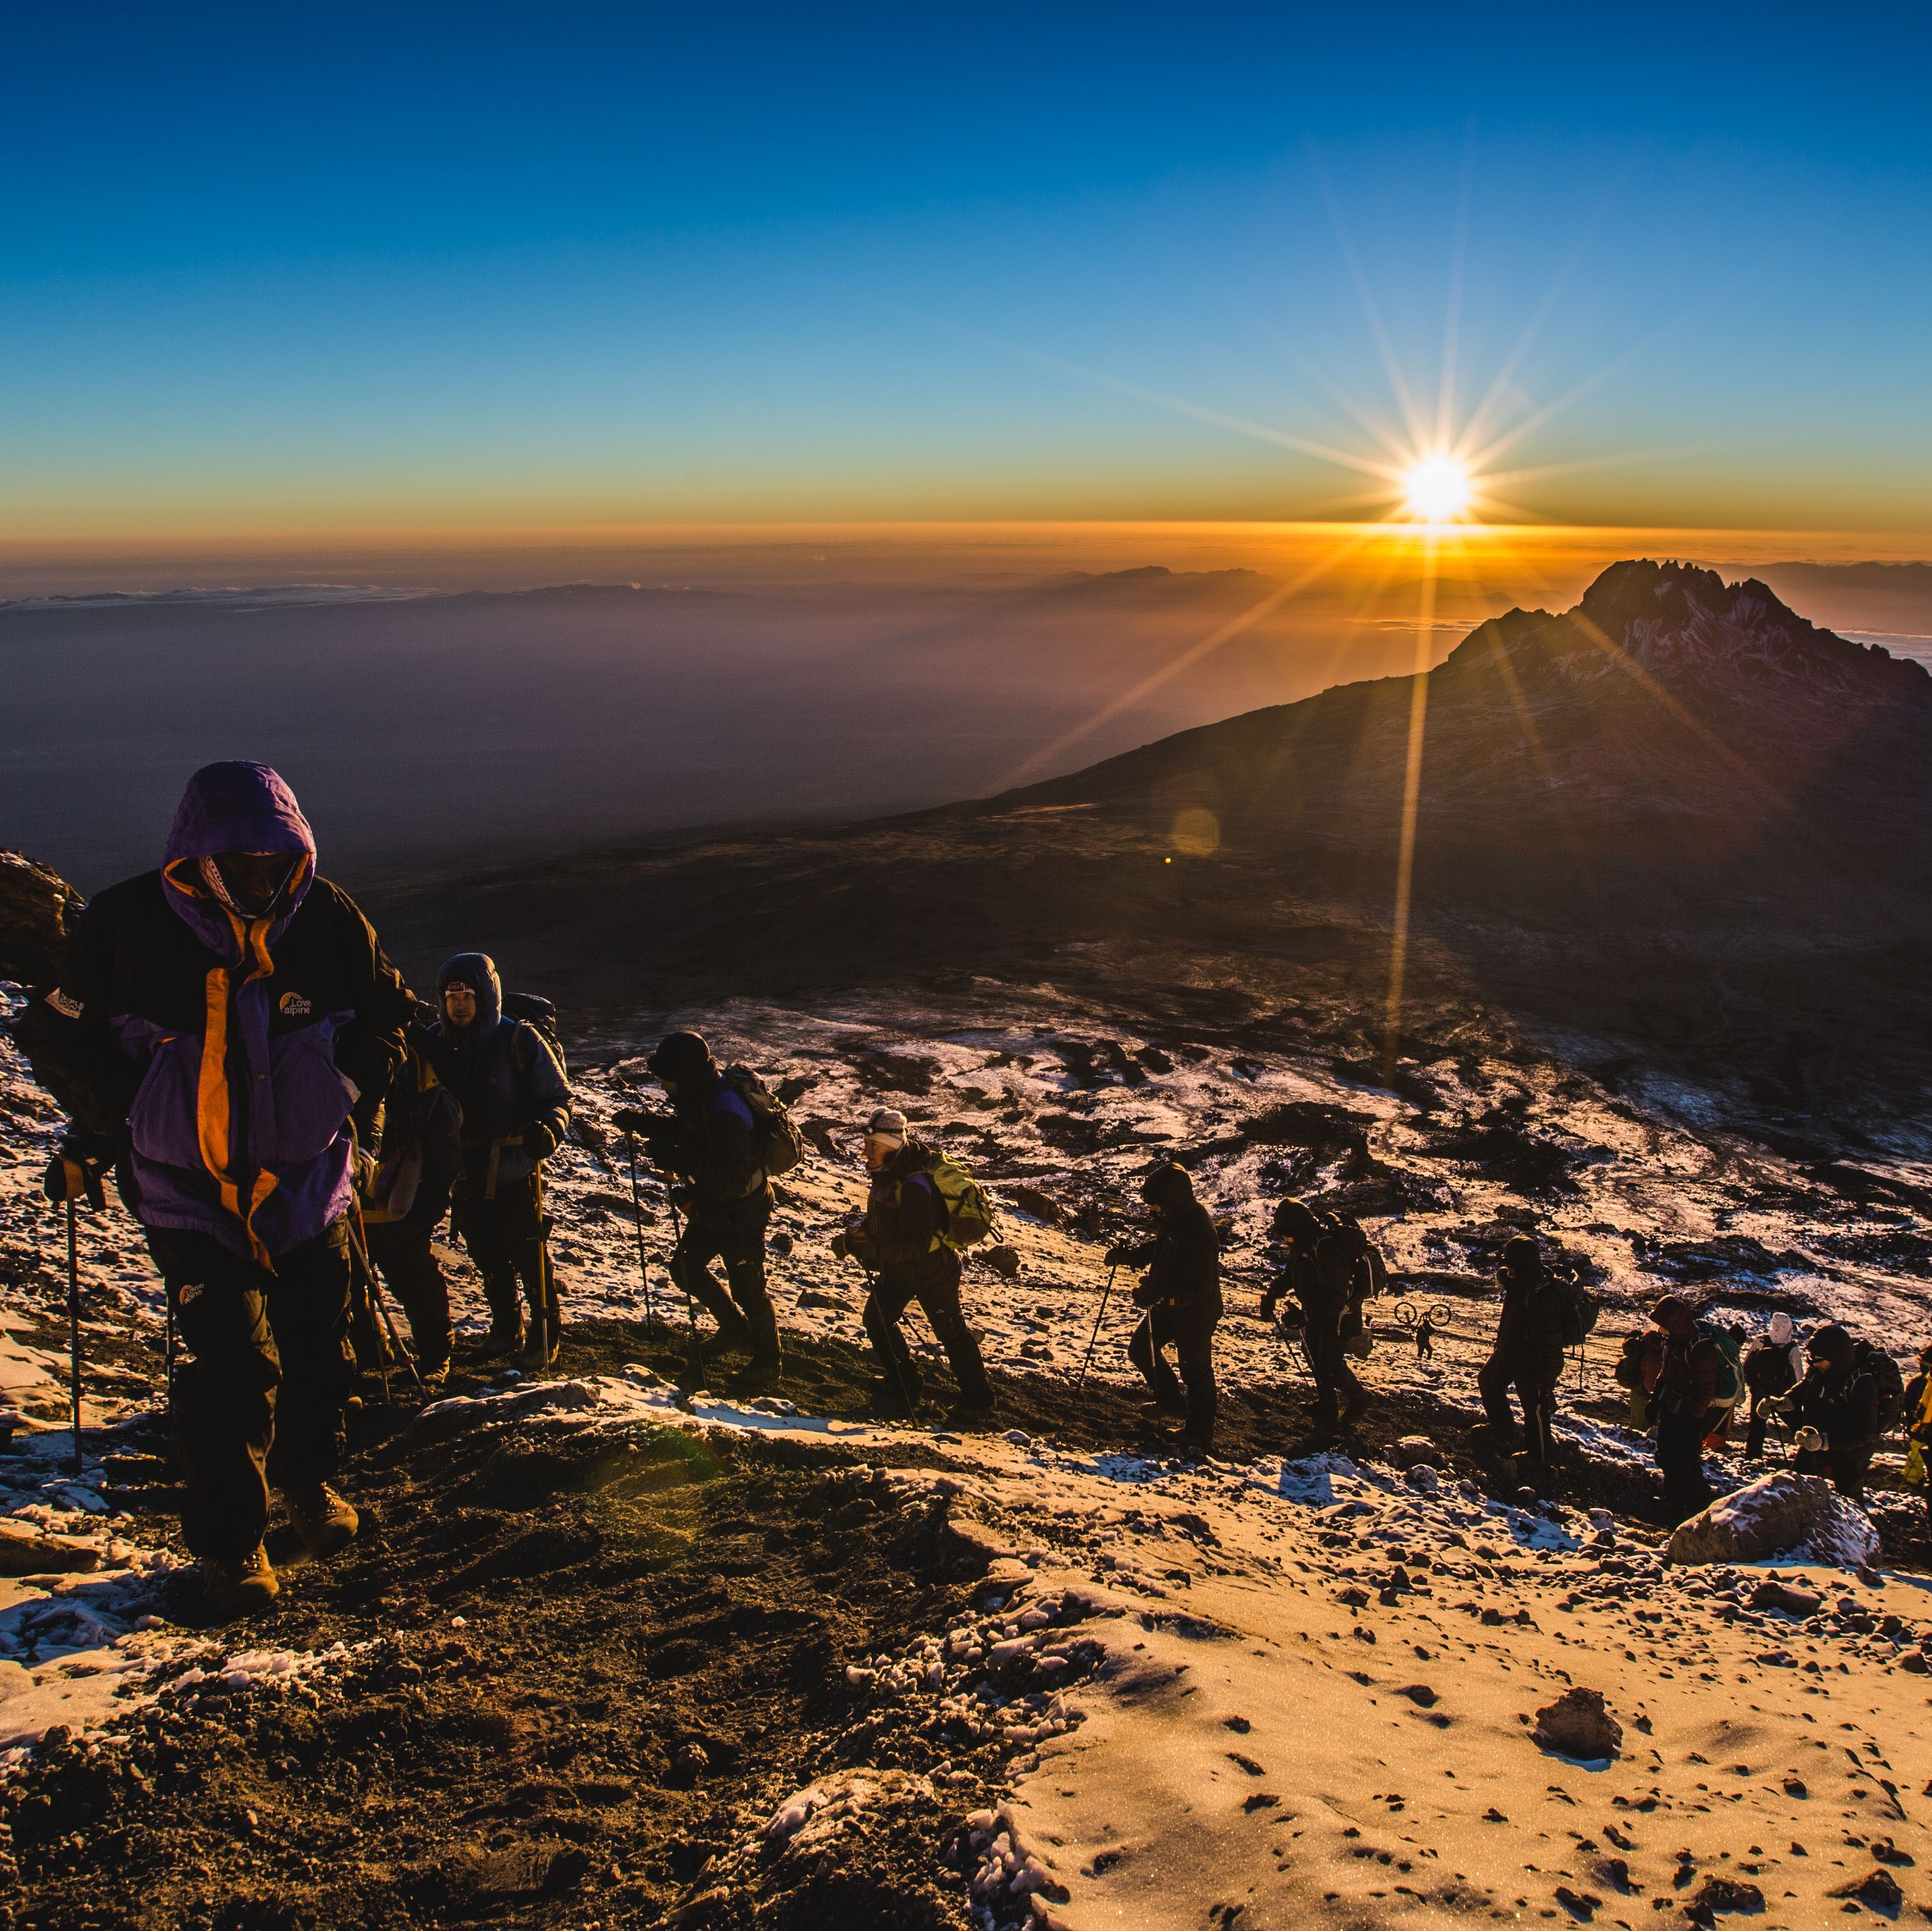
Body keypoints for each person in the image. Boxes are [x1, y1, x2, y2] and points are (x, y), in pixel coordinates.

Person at [17, 762, 414, 1616]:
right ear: (198, 856)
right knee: (234, 1362)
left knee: (319, 1347)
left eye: (277, 864)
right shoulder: (126, 925)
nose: (262, 882)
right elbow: (55, 1033)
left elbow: (389, 1013)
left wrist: (347, 1091)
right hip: (186, 1191)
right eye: (243, 864)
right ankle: (232, 1550)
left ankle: (305, 1483)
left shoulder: (327, 917)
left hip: (308, 1182)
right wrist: (113, 1121)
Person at [423, 954, 572, 1367]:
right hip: (462, 1172)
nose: (460, 1005)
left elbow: (557, 1096)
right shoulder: (434, 1041)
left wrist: (550, 1129)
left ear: (487, 996)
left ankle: (545, 1338)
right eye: (452, 996)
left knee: (528, 1256)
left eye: (469, 996)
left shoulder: (518, 1039)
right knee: (487, 1256)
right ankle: (506, 1329)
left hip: (514, 1167)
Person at [619, 1031, 782, 1389]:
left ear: (686, 1075)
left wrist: (680, 1161)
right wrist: (642, 1123)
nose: (663, 1085)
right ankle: (734, 1329)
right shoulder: (701, 1096)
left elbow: (734, 1178)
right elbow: (689, 1129)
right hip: (715, 1206)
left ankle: (769, 1362)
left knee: (748, 1289)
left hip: (742, 1210)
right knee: (686, 1268)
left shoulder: (725, 1111)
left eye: (668, 1078)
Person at [831, 1108, 995, 1423]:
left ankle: (978, 1399)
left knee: (951, 1333)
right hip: (901, 1270)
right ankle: (904, 1382)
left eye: (872, 1146)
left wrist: (873, 1250)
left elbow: (917, 1243)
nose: (865, 1152)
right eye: (866, 1145)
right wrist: (858, 1238)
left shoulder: (915, 1185)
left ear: (892, 1145)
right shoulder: (890, 1173)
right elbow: (889, 1220)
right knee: (878, 1320)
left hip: (933, 1271)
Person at [357, 1018, 465, 1388]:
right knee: (349, 1286)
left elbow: (445, 1150)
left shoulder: (423, 1082)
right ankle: (370, 1353)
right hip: (353, 1199)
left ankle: (435, 1355)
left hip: (397, 1201)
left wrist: (429, 1206)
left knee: (415, 1282)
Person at [1109, 1163, 1220, 1458]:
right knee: (1141, 1350)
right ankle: (1172, 1404)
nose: (1152, 1208)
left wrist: (1163, 1298)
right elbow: (1164, 1247)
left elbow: (1201, 1288)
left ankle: (1200, 1433)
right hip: (1169, 1304)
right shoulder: (1176, 1217)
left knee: (1195, 1371)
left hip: (1195, 1312)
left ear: (1171, 1198)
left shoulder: (1196, 1230)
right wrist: (1132, 1256)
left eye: (1155, 1202)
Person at [1261, 1196, 1367, 1446]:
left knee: (1329, 1363)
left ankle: (1360, 1399)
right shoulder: (1304, 1245)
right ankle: (1326, 1405)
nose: (1286, 1240)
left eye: (1288, 1235)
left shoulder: (1326, 1248)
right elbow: (1292, 1275)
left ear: (1298, 1228)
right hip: (1318, 1312)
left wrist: (1306, 1316)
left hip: (1339, 1316)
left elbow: (1335, 1297)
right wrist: (1272, 1294)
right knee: (1314, 1356)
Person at [1476, 1235, 1567, 1474]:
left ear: (1521, 1264)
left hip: (1532, 1362)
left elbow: (1550, 1341)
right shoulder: (1520, 1283)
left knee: (1535, 1408)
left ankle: (1540, 1457)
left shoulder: (1542, 1295)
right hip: (1509, 1353)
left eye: (1511, 1262)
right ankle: (1504, 1430)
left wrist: (1547, 1375)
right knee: (1488, 1381)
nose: (1508, 1267)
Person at [1774, 1324, 1879, 1500]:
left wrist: (1824, 1442)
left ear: (1836, 1357)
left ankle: (1854, 1519)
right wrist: (1787, 1400)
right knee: (1797, 1483)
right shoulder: (1822, 1369)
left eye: (1819, 1360)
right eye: (1812, 1358)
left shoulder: (1863, 1384)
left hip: (1850, 1453)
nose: (1814, 1363)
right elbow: (1807, 1385)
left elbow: (1865, 1434)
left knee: (1849, 1499)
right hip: (1818, 1439)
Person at [1648, 1296, 1720, 1522]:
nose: (1660, 1330)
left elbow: (1705, 1389)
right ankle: (1674, 1501)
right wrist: (1655, 1401)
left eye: (1664, 1326)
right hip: (1672, 1408)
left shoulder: (1700, 1348)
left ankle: (1703, 1511)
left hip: (1690, 1415)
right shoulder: (1674, 1343)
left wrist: (1693, 1418)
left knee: (1684, 1462)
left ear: (1675, 1324)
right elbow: (1666, 1375)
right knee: (1666, 1455)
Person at [1742, 1311, 1804, 1459]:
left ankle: (1752, 1459)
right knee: (1799, 1426)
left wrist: (1753, 1386)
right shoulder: (1792, 1349)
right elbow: (1798, 1377)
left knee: (1757, 1427)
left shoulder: (1760, 1341)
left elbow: (1747, 1366)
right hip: (1782, 1396)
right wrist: (1794, 1396)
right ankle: (1808, 1457)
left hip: (1760, 1393)